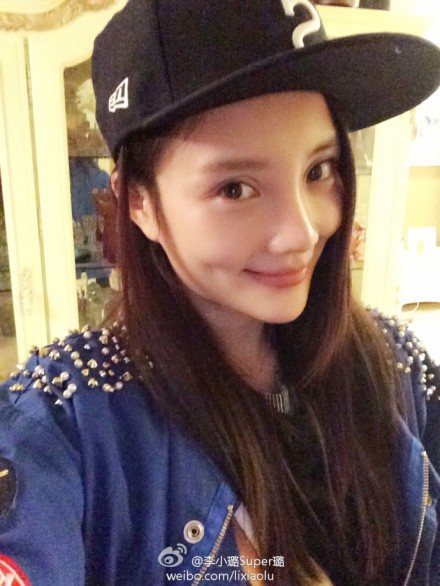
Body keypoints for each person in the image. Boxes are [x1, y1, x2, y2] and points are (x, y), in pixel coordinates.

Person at [1, 1, 440, 584]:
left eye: (318, 170)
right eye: (236, 188)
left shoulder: (391, 364)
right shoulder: (67, 423)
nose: (302, 232)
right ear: (139, 202)